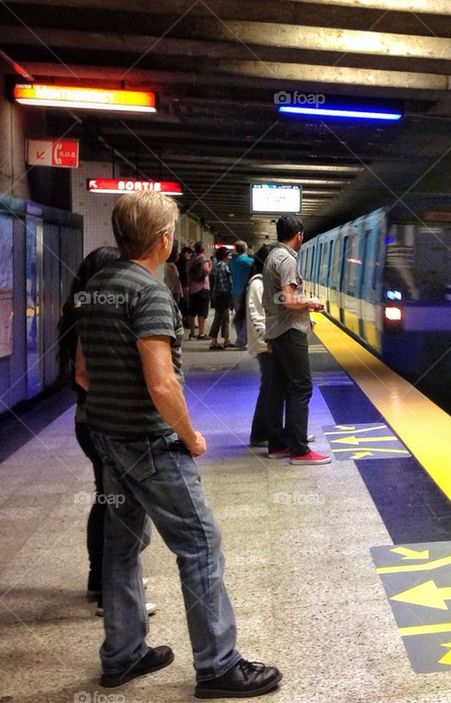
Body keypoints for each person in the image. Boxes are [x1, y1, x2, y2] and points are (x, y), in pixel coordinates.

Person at [75, 191, 282, 698]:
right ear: (163, 239)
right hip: (151, 443)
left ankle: (123, 654)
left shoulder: (96, 287)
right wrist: (189, 436)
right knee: (200, 544)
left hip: (107, 438)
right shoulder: (150, 293)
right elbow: (162, 384)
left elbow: (82, 372)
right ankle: (218, 666)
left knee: (122, 546)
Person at [59, 246, 159, 619]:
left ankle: (99, 581)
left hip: (88, 419)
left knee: (106, 499)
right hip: (102, 420)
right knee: (118, 506)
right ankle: (111, 592)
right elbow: (84, 375)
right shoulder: (91, 315)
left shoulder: (77, 311)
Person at [262, 215, 330, 465]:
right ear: (299, 235)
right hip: (290, 331)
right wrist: (311, 302)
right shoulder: (287, 260)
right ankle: (300, 450)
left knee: (278, 388)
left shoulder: (272, 257)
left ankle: (278, 444)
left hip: (276, 331)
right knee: (301, 387)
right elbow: (289, 300)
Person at [245, 244, 277, 448]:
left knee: (271, 387)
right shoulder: (258, 284)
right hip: (266, 344)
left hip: (268, 341)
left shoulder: (263, 282)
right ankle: (259, 434)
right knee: (269, 387)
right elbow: (257, 315)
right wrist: (269, 339)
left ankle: (269, 431)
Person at [207, 247, 233, 350]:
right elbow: (223, 285)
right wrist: (229, 295)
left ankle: (226, 340)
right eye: (229, 255)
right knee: (219, 318)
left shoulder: (219, 266)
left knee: (225, 317)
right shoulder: (222, 267)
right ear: (224, 256)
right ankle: (213, 341)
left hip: (220, 295)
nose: (231, 257)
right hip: (222, 295)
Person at [229, 241, 253, 347]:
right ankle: (243, 339)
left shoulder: (231, 262)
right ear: (245, 249)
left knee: (238, 315)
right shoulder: (250, 261)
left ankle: (240, 338)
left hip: (235, 291)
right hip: (247, 291)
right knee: (247, 316)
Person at [187, 241, 211, 340]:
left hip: (192, 289)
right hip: (202, 288)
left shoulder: (191, 259)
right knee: (202, 313)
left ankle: (192, 333)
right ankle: (201, 334)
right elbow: (206, 271)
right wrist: (210, 266)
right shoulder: (203, 259)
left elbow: (187, 272)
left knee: (192, 312)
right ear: (203, 249)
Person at [176, 246, 194, 338]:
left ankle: (185, 321)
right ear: (186, 253)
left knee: (182, 304)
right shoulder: (183, 261)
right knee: (185, 305)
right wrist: (186, 286)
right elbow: (185, 274)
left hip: (180, 285)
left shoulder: (178, 260)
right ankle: (187, 322)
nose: (190, 257)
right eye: (190, 255)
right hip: (184, 285)